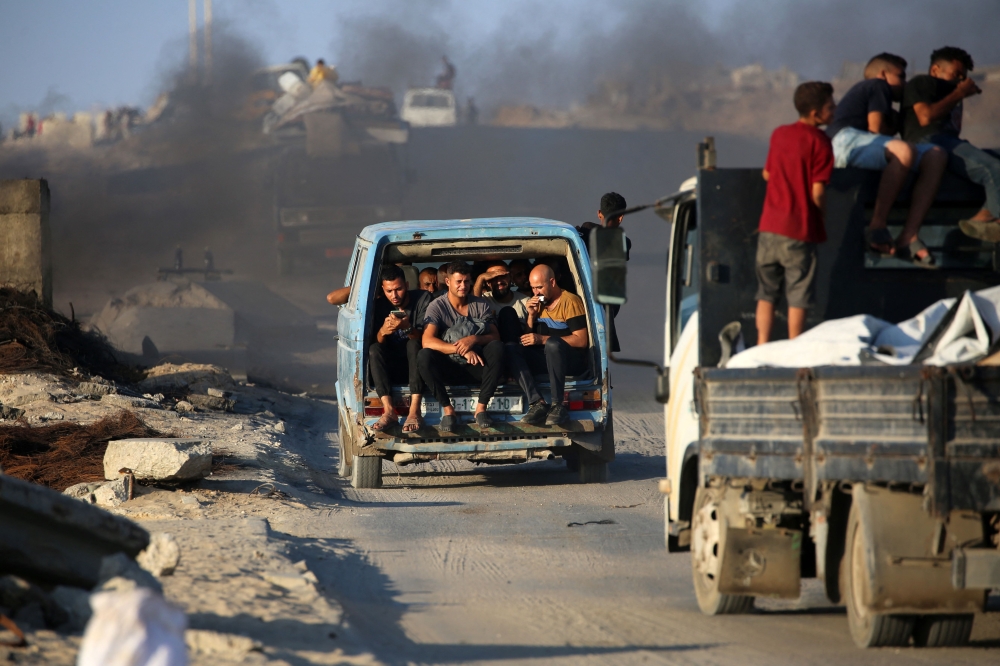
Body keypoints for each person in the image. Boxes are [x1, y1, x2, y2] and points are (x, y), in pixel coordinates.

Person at [828, 53, 946, 266]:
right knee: (904, 152)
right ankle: (877, 226)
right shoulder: (877, 85)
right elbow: (876, 129)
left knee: (936, 155)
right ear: (883, 74)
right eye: (900, 76)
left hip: (860, 143)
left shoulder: (880, 97)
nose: (904, 83)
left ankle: (909, 235)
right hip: (845, 140)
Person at [756, 81, 836, 345]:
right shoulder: (821, 142)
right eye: (830, 105)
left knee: (766, 293)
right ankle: (793, 348)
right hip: (798, 229)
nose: (834, 109)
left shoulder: (779, 134)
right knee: (798, 294)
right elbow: (818, 192)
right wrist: (821, 217)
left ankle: (761, 345)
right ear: (816, 113)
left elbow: (767, 173)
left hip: (768, 227)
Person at [901, 46, 1000, 242]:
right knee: (993, 169)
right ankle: (994, 220)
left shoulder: (954, 92)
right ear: (935, 70)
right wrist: (959, 93)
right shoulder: (922, 83)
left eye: (963, 77)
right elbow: (925, 116)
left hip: (951, 142)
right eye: (956, 75)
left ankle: (983, 216)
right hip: (929, 140)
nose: (960, 81)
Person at [418, 262, 504, 433]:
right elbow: (427, 341)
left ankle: (481, 408)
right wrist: (460, 348)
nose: (463, 286)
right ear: (448, 282)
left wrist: (473, 339)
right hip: (449, 367)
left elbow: (495, 336)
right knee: (423, 356)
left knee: (496, 347)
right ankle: (448, 410)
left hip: (477, 366)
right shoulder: (437, 306)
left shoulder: (480, 305)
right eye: (458, 282)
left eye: (466, 281)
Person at [505, 265, 590, 427]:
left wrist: (542, 339)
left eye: (539, 287)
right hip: (545, 359)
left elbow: (581, 340)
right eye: (533, 288)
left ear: (552, 282)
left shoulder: (570, 301)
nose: (536, 292)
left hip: (568, 361)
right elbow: (528, 340)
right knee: (511, 348)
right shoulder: (539, 305)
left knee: (552, 343)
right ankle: (537, 402)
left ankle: (558, 405)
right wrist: (531, 316)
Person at [368, 266, 427, 433]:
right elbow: (376, 342)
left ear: (407, 285)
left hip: (418, 366)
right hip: (392, 367)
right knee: (374, 349)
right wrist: (382, 332)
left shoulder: (422, 299)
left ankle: (414, 411)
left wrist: (407, 327)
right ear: (383, 290)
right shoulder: (379, 306)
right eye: (389, 291)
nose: (394, 296)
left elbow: (426, 338)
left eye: (398, 289)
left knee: (413, 344)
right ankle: (389, 411)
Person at [577, 192, 631, 351]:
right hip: (606, 309)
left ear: (599, 213)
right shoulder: (624, 243)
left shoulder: (586, 231)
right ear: (621, 217)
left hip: (582, 302)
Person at [473, 262, 530, 342]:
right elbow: (473, 306)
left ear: (510, 277)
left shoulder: (525, 301)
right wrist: (480, 278)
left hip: (518, 348)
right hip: (494, 348)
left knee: (508, 312)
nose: (499, 282)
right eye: (493, 278)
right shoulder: (483, 300)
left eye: (503, 276)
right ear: (488, 283)